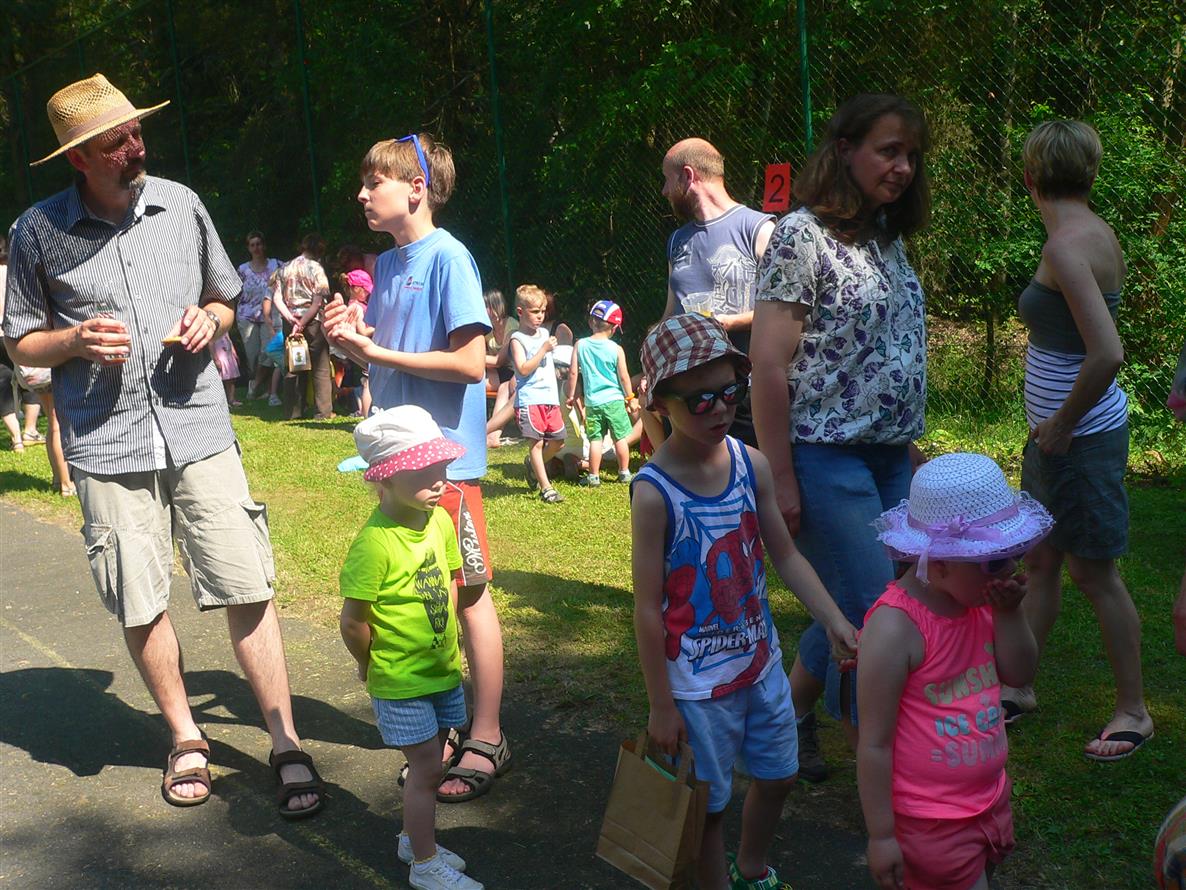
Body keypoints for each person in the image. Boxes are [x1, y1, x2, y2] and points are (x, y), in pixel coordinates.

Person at [2, 73, 322, 816]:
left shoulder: (181, 204)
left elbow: (225, 295)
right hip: (106, 442)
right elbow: (19, 339)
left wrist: (213, 319)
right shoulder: (35, 232)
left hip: (197, 426)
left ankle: (285, 741)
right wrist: (74, 340)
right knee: (138, 594)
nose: (135, 146)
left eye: (137, 132)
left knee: (247, 581)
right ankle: (185, 737)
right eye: (117, 141)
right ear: (80, 157)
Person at [631, 313, 859, 890]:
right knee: (707, 807)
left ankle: (752, 866)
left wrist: (833, 619)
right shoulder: (654, 493)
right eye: (699, 400)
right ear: (661, 405)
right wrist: (661, 705)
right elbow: (648, 608)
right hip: (695, 687)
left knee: (780, 775)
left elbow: (785, 555)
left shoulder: (749, 464)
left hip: (760, 666)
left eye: (730, 391)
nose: (719, 409)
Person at [750, 93, 931, 781]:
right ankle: (887, 798)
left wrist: (908, 446)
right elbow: (768, 364)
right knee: (876, 618)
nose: (903, 167)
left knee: (875, 603)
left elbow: (884, 351)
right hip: (826, 458)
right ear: (846, 150)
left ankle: (786, 717)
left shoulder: (887, 236)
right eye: (889, 151)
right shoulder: (801, 236)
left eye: (911, 155)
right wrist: (781, 477)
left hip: (890, 456)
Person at [324, 132, 509, 802]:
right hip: (400, 463)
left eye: (374, 182)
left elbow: (469, 364)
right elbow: (390, 352)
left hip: (445, 464)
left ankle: (486, 734)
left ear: (416, 188)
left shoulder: (449, 257)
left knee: (468, 592)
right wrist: (354, 341)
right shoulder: (390, 263)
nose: (362, 194)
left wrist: (380, 353)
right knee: (425, 591)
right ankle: (445, 731)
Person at [1004, 120, 1154, 759]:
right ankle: (1017, 686)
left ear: (1030, 177)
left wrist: (1063, 424)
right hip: (1055, 438)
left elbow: (1108, 353)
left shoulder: (1068, 246)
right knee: (1041, 561)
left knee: (1095, 573)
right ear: (1090, 173)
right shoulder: (1089, 231)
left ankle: (1135, 712)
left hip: (1079, 437)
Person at [857, 452, 1050, 890]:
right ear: (940, 564)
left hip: (990, 801)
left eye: (1014, 555)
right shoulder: (895, 628)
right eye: (994, 561)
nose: (1010, 570)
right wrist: (882, 835)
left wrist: (1010, 614)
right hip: (930, 822)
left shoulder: (981, 602)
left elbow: (1019, 674)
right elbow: (874, 743)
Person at [339, 406, 484, 890]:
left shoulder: (437, 519)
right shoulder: (373, 545)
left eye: (441, 466)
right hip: (401, 680)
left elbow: (451, 581)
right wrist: (368, 663)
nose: (439, 479)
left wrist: (450, 644)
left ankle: (412, 839)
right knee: (425, 770)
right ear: (385, 478)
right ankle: (424, 865)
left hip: (440, 669)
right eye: (423, 471)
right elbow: (353, 621)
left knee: (435, 761)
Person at [660, 138, 775, 446]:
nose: (664, 191)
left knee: (752, 471)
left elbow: (789, 312)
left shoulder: (759, 229)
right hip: (688, 397)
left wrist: (729, 322)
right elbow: (671, 311)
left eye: (667, 179)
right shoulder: (677, 241)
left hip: (743, 393)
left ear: (688, 175)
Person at [566, 299, 636, 486]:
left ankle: (593, 476)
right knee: (619, 438)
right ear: (615, 328)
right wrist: (630, 397)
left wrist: (571, 396)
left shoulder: (580, 345)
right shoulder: (617, 349)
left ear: (591, 322)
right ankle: (624, 472)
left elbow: (573, 373)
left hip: (593, 403)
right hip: (614, 401)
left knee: (595, 440)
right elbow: (624, 377)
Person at [509, 284, 566, 504]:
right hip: (530, 399)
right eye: (535, 312)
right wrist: (543, 349)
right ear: (520, 312)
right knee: (537, 443)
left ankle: (532, 465)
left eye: (542, 311)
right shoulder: (517, 339)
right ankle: (546, 488)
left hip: (550, 397)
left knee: (558, 441)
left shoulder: (544, 333)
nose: (540, 316)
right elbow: (523, 369)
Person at [236, 231, 281, 401]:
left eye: (259, 244)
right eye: (252, 245)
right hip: (246, 316)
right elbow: (235, 292)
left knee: (268, 353)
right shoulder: (242, 269)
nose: (256, 248)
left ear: (264, 246)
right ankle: (262, 385)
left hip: (270, 315)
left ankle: (256, 385)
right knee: (253, 355)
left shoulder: (276, 265)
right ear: (249, 248)